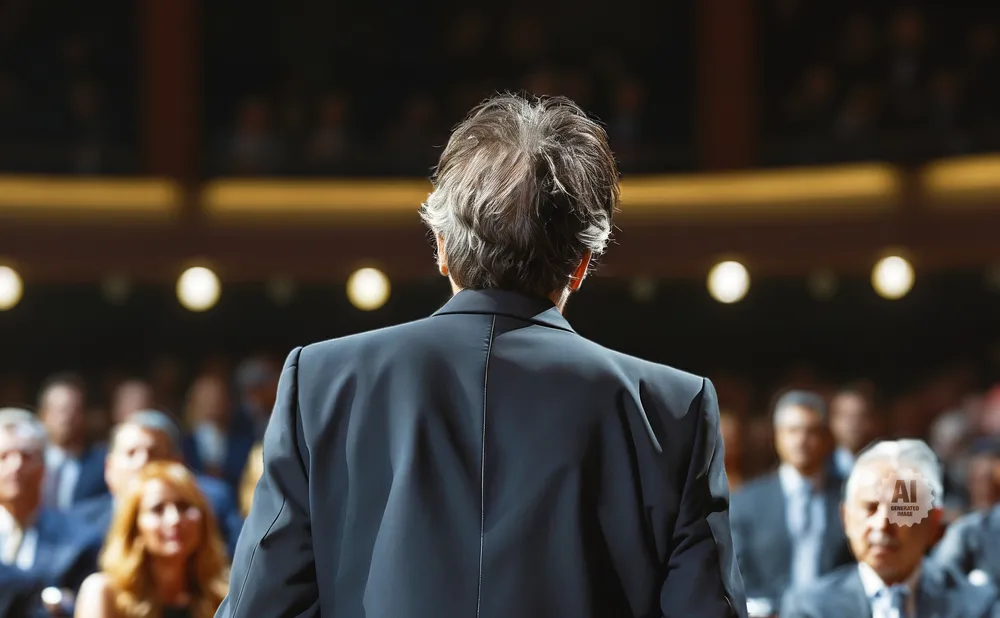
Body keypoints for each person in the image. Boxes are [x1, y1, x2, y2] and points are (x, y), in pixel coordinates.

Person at [218, 94, 747, 618]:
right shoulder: (674, 408)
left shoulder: (319, 382)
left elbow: (261, 606)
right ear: (582, 265)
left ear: (442, 248)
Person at [781, 439, 1000, 617]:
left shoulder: (977, 606)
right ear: (845, 517)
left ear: (933, 524)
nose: (882, 524)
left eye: (902, 510)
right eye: (870, 508)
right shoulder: (810, 608)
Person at [730, 391, 853, 614]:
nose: (801, 440)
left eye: (811, 431)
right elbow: (737, 571)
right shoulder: (747, 502)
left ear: (827, 438)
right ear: (777, 436)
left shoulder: (851, 497)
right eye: (792, 431)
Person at [69, 410, 244, 557]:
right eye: (131, 453)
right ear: (109, 469)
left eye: (153, 453)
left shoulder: (211, 508)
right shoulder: (78, 524)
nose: (142, 462)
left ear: (177, 464)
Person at [75, 461, 229, 618]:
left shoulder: (224, 596)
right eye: (158, 509)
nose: (174, 519)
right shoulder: (104, 592)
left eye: (184, 506)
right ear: (134, 525)